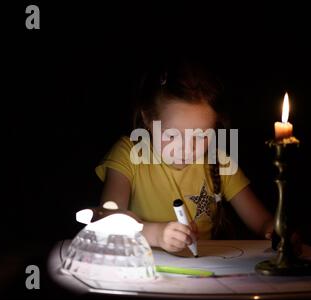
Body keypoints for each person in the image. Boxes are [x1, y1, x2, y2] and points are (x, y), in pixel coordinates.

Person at [95, 59, 274, 253]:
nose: (187, 149)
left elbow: (263, 222)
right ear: (147, 118)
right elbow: (107, 220)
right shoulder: (128, 155)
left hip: (205, 273)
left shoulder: (220, 163)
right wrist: (156, 234)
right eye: (172, 136)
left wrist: (276, 232)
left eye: (201, 136)